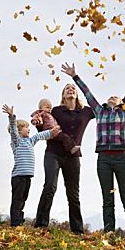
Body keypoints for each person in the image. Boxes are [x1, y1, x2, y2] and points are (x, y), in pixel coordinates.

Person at [61, 59, 125, 242]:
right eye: (110, 96)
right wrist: (75, 76)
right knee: (108, 199)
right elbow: (87, 93)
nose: (112, 97)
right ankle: (110, 235)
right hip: (104, 159)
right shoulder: (99, 111)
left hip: (121, 157)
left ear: (121, 101)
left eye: (116, 96)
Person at [34, 84, 95, 233]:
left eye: (73, 88)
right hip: (53, 153)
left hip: (73, 156)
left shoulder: (86, 112)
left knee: (73, 193)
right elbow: (44, 126)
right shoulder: (56, 111)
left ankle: (77, 230)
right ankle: (41, 225)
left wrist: (122, 101)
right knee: (50, 186)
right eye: (67, 88)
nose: (70, 89)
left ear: (77, 94)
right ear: (63, 94)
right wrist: (38, 124)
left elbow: (100, 109)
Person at [2, 104, 60, 226]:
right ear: (19, 131)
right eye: (26, 128)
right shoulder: (16, 141)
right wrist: (12, 117)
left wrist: (51, 132)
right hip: (18, 177)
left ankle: (20, 221)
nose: (29, 129)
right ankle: (15, 223)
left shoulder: (30, 141)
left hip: (27, 177)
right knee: (17, 200)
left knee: (23, 199)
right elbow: (13, 130)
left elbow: (39, 136)